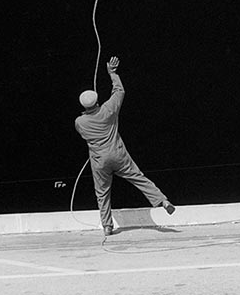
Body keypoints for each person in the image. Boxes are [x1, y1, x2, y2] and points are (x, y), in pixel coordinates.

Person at [75, 56, 175, 236]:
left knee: (102, 193)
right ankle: (162, 200)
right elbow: (119, 91)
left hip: (99, 161)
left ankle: (107, 226)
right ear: (97, 101)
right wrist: (112, 73)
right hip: (119, 155)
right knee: (139, 178)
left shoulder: (80, 121)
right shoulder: (109, 109)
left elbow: (84, 135)